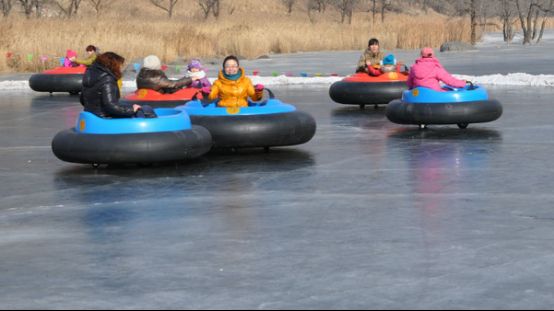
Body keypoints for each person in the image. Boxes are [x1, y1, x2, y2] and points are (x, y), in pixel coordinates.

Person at [81, 52, 155, 118]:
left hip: (91, 115)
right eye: (119, 65)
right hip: (104, 116)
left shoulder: (89, 75)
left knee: (129, 105)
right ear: (112, 65)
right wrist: (132, 110)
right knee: (146, 109)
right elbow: (110, 106)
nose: (120, 68)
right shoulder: (107, 79)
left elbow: (82, 99)